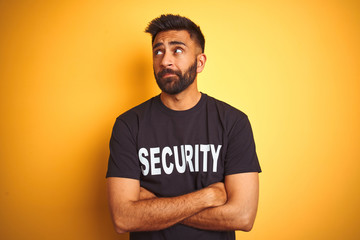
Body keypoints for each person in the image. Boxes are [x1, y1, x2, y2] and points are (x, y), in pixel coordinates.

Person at [106, 14, 261, 240]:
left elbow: (243, 217)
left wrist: (152, 204)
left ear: (200, 62)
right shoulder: (128, 125)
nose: (165, 60)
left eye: (177, 50)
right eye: (158, 51)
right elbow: (123, 219)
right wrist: (206, 197)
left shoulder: (233, 122)